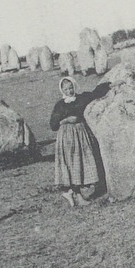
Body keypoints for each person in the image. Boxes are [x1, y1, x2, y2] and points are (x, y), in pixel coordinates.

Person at [48, 75, 109, 207]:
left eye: (70, 88)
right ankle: (76, 195)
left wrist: (112, 83)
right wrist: (66, 120)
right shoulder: (60, 105)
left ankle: (72, 193)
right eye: (66, 89)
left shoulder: (82, 98)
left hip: (81, 134)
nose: (69, 91)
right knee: (72, 163)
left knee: (81, 163)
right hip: (67, 137)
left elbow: (96, 92)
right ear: (61, 90)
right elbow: (53, 125)